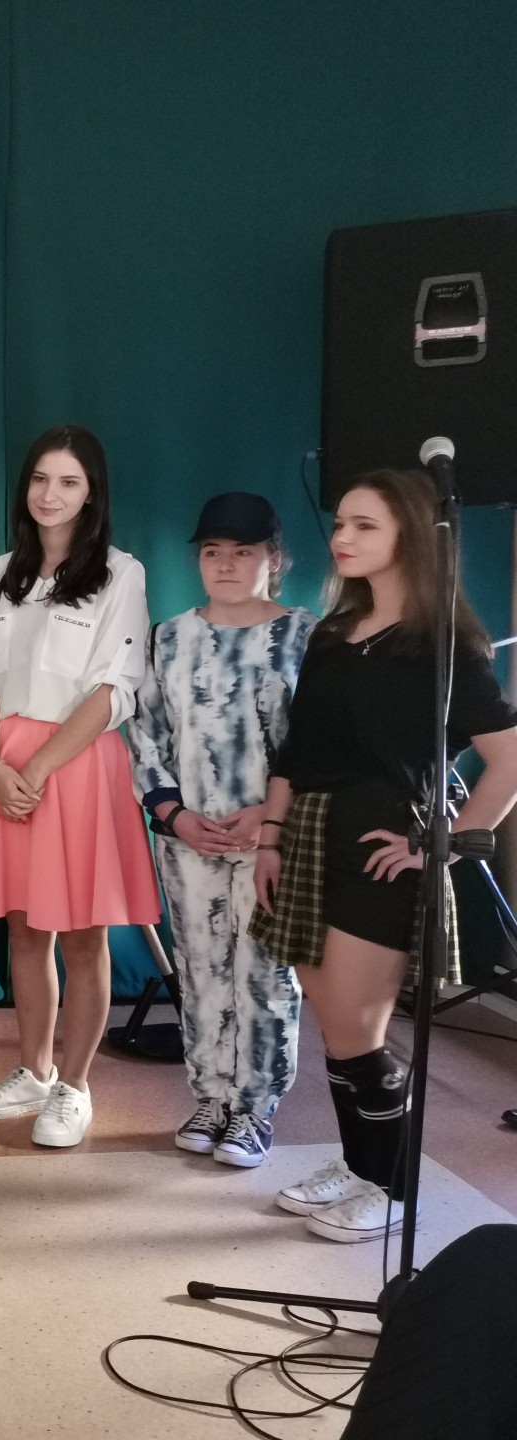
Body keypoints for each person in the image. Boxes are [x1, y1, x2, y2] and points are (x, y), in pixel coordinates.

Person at [252, 470, 517, 1242]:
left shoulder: (444, 647)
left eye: (364, 525)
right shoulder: (333, 635)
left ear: (413, 535)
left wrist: (442, 849)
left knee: (356, 1030)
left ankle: (395, 1188)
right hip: (308, 837)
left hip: (381, 848)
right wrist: (270, 838)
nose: (342, 537)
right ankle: (359, 1164)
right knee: (333, 1026)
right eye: (340, 522)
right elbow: (296, 749)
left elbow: (507, 759)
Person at [0, 424, 159, 1147]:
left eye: (68, 482)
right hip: (2, 765)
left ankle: (75, 1086)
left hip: (75, 765)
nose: (50, 494)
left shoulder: (121, 574)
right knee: (23, 926)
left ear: (92, 493)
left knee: (82, 932)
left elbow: (113, 688)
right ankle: (33, 1071)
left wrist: (37, 769)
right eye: (40, 479)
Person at [128, 492, 314, 1167]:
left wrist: (271, 815)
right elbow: (145, 734)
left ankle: (256, 1108)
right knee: (201, 967)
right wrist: (173, 813)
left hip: (274, 841)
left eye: (243, 551)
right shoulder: (169, 638)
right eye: (213, 552)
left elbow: (321, 742)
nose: (227, 564)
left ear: (274, 559)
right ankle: (210, 1095)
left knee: (266, 971)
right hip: (191, 840)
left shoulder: (307, 637)